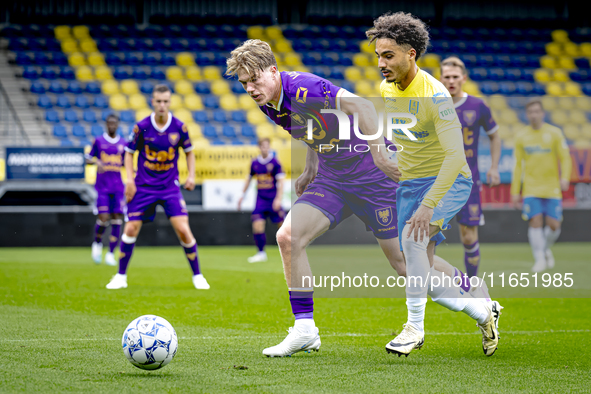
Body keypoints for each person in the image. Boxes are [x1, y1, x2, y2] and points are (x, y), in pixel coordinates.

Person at [226, 38, 498, 358]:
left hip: (372, 178)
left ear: (273, 71)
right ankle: (304, 330)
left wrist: (381, 157)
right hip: (332, 178)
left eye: (254, 80)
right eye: (244, 83)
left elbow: (364, 106)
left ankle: (481, 308)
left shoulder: (306, 86)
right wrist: (310, 168)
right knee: (288, 237)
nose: (250, 89)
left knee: (405, 264)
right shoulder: (267, 101)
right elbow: (313, 131)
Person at [372, 11, 502, 357]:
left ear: (410, 53)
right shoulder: (386, 88)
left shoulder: (436, 95)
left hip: (450, 179)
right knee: (418, 268)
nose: (381, 64)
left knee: (413, 245)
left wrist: (428, 204)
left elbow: (456, 157)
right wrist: (386, 154)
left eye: (388, 55)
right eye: (378, 56)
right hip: (411, 184)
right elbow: (403, 131)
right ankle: (483, 309)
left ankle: (414, 328)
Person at [105, 84, 209, 290]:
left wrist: (191, 175)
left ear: (170, 103)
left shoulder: (180, 127)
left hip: (170, 187)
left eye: (165, 101)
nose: (162, 105)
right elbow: (128, 152)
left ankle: (198, 275)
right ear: (152, 102)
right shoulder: (141, 126)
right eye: (158, 101)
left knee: (183, 230)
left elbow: (189, 151)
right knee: (131, 228)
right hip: (143, 186)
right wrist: (130, 180)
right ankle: (120, 276)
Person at [439, 56, 502, 278]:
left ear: (464, 78)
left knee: (468, 236)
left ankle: (473, 283)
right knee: (425, 235)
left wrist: (494, 167)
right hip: (435, 180)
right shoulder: (433, 104)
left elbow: (495, 137)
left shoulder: (478, 106)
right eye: (447, 77)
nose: (451, 81)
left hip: (467, 181)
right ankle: (427, 282)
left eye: (455, 77)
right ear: (440, 79)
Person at [510, 98, 571, 272]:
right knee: (535, 222)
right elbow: (518, 165)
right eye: (530, 112)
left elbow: (565, 158)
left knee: (554, 226)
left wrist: (565, 177)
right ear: (527, 115)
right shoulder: (521, 136)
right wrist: (516, 191)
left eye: (537, 111)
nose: (534, 115)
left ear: (542, 113)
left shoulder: (555, 133)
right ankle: (539, 260)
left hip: (552, 188)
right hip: (531, 188)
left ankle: (544, 249)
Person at [86, 114, 126, 266]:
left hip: (118, 188)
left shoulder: (123, 143)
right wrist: (97, 160)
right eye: (109, 123)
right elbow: (88, 158)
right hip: (102, 187)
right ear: (106, 125)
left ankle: (111, 253)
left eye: (114, 123)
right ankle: (97, 244)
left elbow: (125, 163)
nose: (112, 126)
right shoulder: (98, 141)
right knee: (103, 218)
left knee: (117, 219)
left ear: (118, 125)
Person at [237, 138, 285, 263]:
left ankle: (291, 250)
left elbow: (281, 181)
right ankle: (261, 253)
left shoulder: (275, 163)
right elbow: (249, 179)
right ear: (259, 147)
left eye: (267, 146)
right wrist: (242, 195)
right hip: (260, 200)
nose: (265, 148)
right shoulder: (254, 163)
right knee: (257, 225)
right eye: (263, 146)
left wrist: (278, 199)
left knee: (283, 227)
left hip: (273, 199)